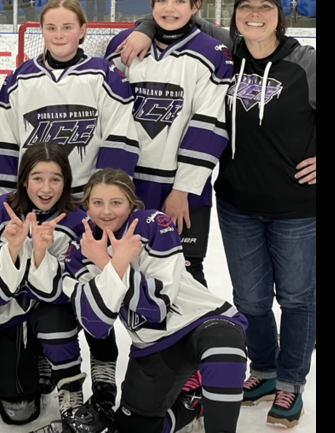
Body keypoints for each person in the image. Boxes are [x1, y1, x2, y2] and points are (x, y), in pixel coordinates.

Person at [62, 168, 248, 433]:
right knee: (133, 427)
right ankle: (193, 404)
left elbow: (157, 306)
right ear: (86, 206)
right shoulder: (80, 252)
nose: (106, 212)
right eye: (97, 203)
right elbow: (96, 325)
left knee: (224, 353)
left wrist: (106, 262)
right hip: (153, 344)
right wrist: (111, 261)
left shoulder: (153, 223)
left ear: (131, 205)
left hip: (201, 320)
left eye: (116, 203)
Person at [214, 0, 316, 428]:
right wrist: (140, 27)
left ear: (280, 14)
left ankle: (291, 381)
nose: (254, 14)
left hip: (298, 208)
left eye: (265, 7)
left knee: (296, 298)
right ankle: (266, 370)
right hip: (237, 204)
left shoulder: (306, 63)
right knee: (251, 300)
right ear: (234, 14)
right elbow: (175, 16)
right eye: (245, 6)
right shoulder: (222, 58)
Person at [0, 142, 119, 426]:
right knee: (20, 414)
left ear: (66, 181)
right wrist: (12, 250)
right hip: (8, 317)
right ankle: (35, 357)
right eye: (38, 178)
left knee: (58, 319)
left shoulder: (79, 220)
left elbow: (72, 288)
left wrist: (41, 254)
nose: (46, 188)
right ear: (24, 178)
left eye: (55, 179)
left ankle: (69, 386)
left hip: (55, 313)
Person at [105, 0, 233, 287]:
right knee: (125, 271)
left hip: (180, 189)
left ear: (195, 6)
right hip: (128, 185)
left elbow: (210, 124)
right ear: (151, 4)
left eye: (179, 1)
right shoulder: (123, 47)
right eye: (161, 0)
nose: (169, 9)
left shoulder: (213, 54)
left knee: (186, 274)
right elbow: (106, 115)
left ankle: (193, 337)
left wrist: (181, 191)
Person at [0, 0, 139, 198]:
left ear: (83, 30)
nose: (59, 35)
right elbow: (4, 144)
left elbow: (120, 141)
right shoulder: (18, 80)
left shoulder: (105, 76)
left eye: (67, 27)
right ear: (41, 30)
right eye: (51, 28)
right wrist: (3, 202)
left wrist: (103, 200)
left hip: (87, 201)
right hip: (34, 200)